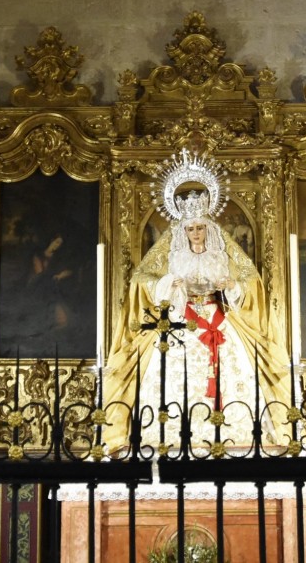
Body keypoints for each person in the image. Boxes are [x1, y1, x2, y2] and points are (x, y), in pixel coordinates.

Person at [103, 188, 290, 454]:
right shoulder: (174, 254)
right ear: (184, 231)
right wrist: (169, 283)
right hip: (184, 317)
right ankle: (174, 435)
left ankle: (233, 435)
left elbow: (252, 281)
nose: (196, 233)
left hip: (217, 316)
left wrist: (231, 284)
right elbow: (142, 279)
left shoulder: (221, 253)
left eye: (201, 228)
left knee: (234, 370)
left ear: (208, 228)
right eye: (191, 229)